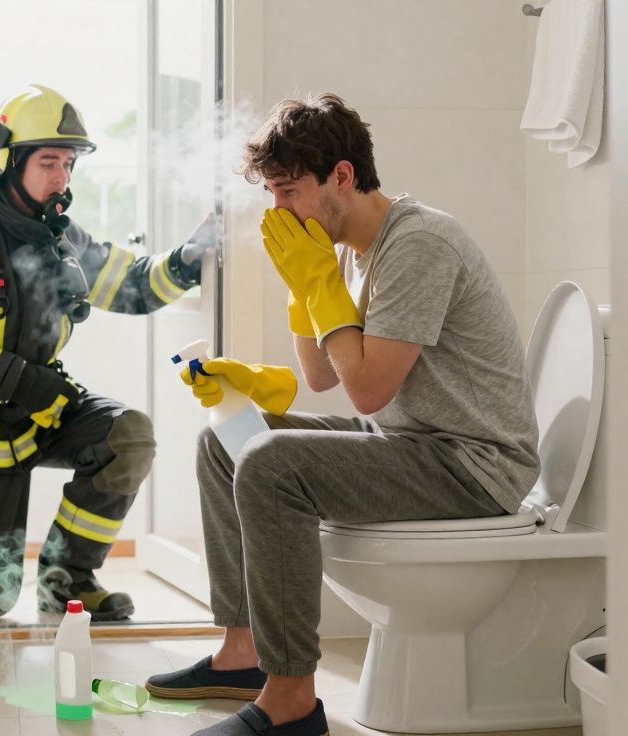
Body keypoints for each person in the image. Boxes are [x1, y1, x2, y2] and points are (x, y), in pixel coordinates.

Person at [145, 94, 541, 736]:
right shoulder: (352, 250)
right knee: (225, 442)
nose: (279, 209)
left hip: (475, 464)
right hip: (413, 442)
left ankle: (292, 703)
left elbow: (367, 390)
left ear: (342, 176)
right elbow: (321, 374)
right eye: (272, 193)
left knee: (271, 463)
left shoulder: (418, 244)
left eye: (289, 190)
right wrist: (304, 289)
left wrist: (320, 284)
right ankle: (243, 654)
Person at [0, 84, 212, 622]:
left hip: (37, 412)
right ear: (8, 160)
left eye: (68, 163)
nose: (61, 177)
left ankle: (68, 579)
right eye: (48, 163)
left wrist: (188, 258)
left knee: (127, 435)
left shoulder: (59, 238)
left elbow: (133, 286)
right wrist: (27, 383)